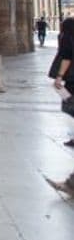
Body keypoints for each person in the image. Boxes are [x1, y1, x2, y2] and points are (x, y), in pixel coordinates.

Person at [53, 17, 74, 148]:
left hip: (72, 78)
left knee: (70, 104)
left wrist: (59, 76)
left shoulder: (67, 38)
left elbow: (66, 58)